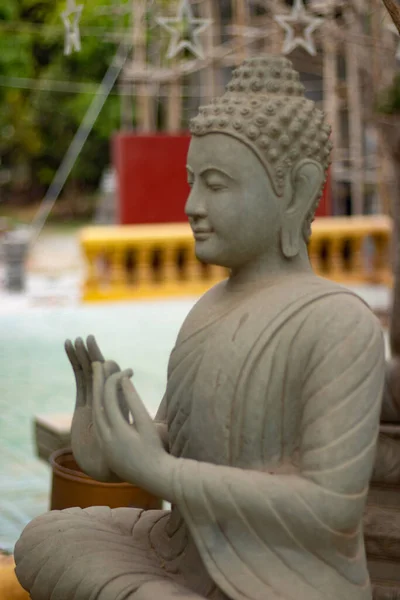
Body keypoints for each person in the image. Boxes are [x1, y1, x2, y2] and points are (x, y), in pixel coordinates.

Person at [14, 55, 385, 600]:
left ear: (298, 190)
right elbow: (181, 445)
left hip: (284, 576)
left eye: (216, 185)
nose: (192, 206)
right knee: (48, 536)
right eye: (192, 183)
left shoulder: (338, 322)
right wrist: (112, 445)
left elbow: (329, 507)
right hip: (182, 547)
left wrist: (160, 472)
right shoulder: (207, 310)